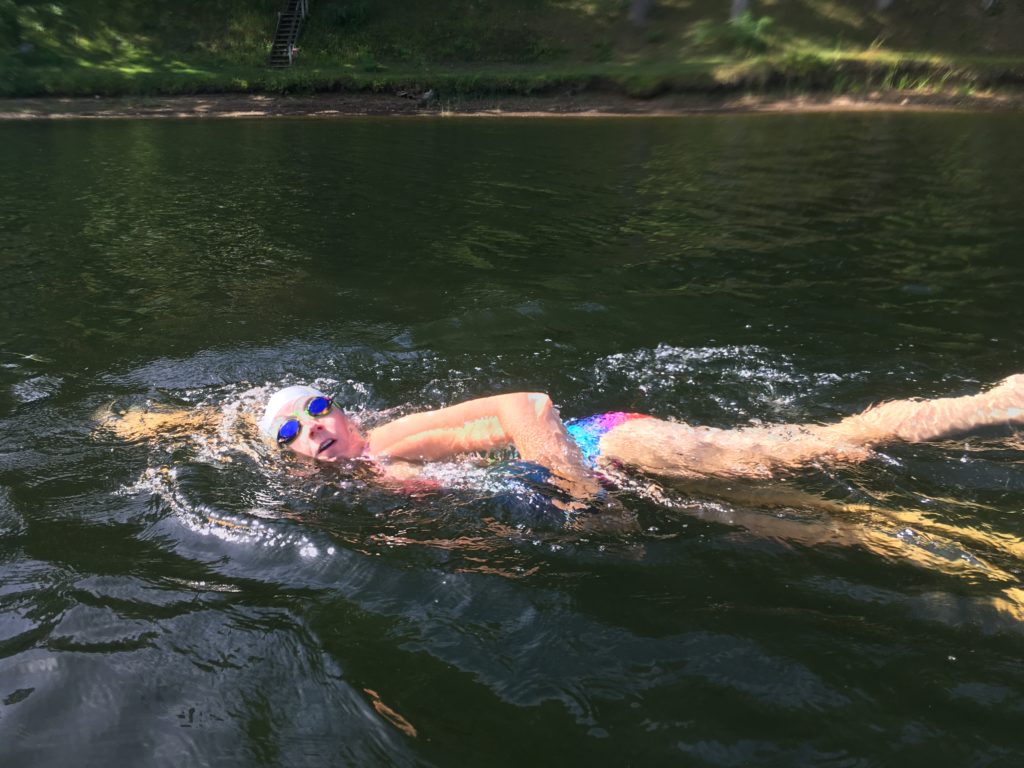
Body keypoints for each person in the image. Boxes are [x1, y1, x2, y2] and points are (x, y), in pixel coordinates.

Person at [105, 374, 1024, 502]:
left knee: (818, 447)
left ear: (343, 411)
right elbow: (231, 423)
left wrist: (576, 481)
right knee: (783, 505)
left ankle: (990, 405)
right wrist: (161, 423)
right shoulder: (358, 473)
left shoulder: (394, 437)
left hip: (608, 443)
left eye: (314, 416)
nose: (310, 439)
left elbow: (527, 404)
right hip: (594, 469)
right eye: (291, 439)